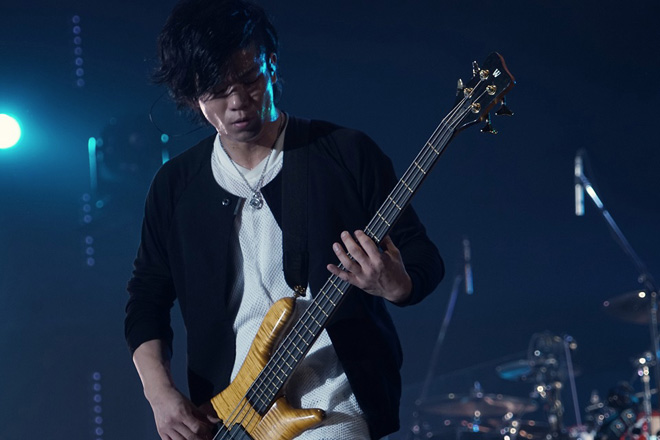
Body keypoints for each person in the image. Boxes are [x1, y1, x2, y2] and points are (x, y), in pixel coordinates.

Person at [124, 1, 444, 439]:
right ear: (192, 94)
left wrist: (396, 283)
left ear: (271, 65)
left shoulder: (345, 153)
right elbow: (146, 299)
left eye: (248, 80)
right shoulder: (175, 185)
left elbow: (422, 254)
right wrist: (159, 394)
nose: (238, 103)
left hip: (335, 403)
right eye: (217, 90)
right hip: (231, 415)